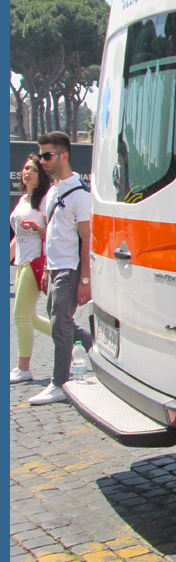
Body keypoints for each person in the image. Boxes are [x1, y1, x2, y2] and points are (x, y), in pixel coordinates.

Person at [20, 132, 93, 405]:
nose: (42, 161)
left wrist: (85, 279)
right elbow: (52, 234)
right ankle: (96, 351)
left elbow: (87, 240)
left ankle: (60, 383)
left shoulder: (80, 194)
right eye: (40, 155)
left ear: (64, 155)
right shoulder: (53, 191)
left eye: (47, 155)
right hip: (55, 268)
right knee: (61, 323)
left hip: (70, 268)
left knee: (60, 326)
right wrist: (47, 270)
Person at [9, 155, 54, 383]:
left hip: (36, 262)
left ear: (41, 175)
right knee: (32, 318)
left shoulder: (45, 200)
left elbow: (53, 236)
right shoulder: (24, 200)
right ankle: (74, 341)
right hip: (21, 262)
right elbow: (18, 236)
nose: (27, 172)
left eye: (33, 170)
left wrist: (38, 228)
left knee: (19, 315)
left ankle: (23, 368)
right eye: (25, 168)